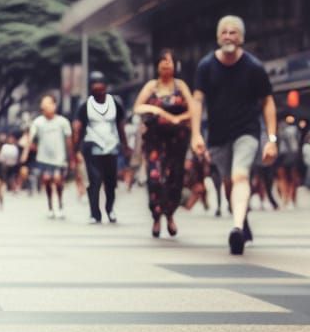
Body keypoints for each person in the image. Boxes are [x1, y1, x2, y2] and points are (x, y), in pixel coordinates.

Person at [191, 15, 277, 256]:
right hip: (217, 135)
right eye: (224, 32)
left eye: (233, 32)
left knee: (240, 177)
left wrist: (271, 139)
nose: (228, 36)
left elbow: (267, 102)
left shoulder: (253, 67)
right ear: (218, 37)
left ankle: (236, 229)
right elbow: (197, 101)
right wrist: (196, 134)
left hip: (247, 131)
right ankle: (243, 220)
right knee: (229, 184)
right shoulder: (206, 66)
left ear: (241, 38)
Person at [133, 49, 195, 238]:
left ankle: (170, 215)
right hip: (155, 141)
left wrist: (178, 119)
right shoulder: (151, 86)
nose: (166, 64)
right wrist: (159, 112)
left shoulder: (181, 86)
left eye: (169, 61)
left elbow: (193, 110)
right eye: (163, 61)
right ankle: (156, 216)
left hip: (177, 141)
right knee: (154, 178)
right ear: (157, 65)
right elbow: (138, 107)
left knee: (174, 180)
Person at [73, 72, 128, 225]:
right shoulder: (84, 105)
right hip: (92, 146)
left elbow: (120, 124)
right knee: (95, 180)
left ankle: (110, 209)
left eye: (100, 83)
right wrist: (75, 150)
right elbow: (77, 127)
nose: (98, 87)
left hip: (111, 146)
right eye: (94, 84)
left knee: (110, 181)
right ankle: (94, 213)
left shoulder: (115, 102)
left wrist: (125, 145)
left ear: (105, 86)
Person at [25, 94, 73, 220]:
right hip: (44, 159)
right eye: (43, 104)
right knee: (46, 180)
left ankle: (60, 206)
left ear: (54, 105)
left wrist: (71, 158)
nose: (45, 106)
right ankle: (50, 207)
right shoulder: (38, 122)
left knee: (57, 180)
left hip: (59, 158)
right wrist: (28, 150)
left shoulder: (63, 122)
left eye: (48, 103)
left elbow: (69, 141)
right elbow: (31, 139)